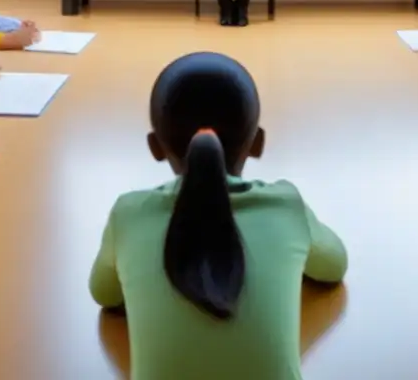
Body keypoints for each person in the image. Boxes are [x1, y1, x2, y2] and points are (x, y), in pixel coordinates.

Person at [89, 52, 347, 379]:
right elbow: (334, 265)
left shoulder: (128, 215)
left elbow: (105, 293)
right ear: (258, 142)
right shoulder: (285, 205)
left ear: (154, 147)